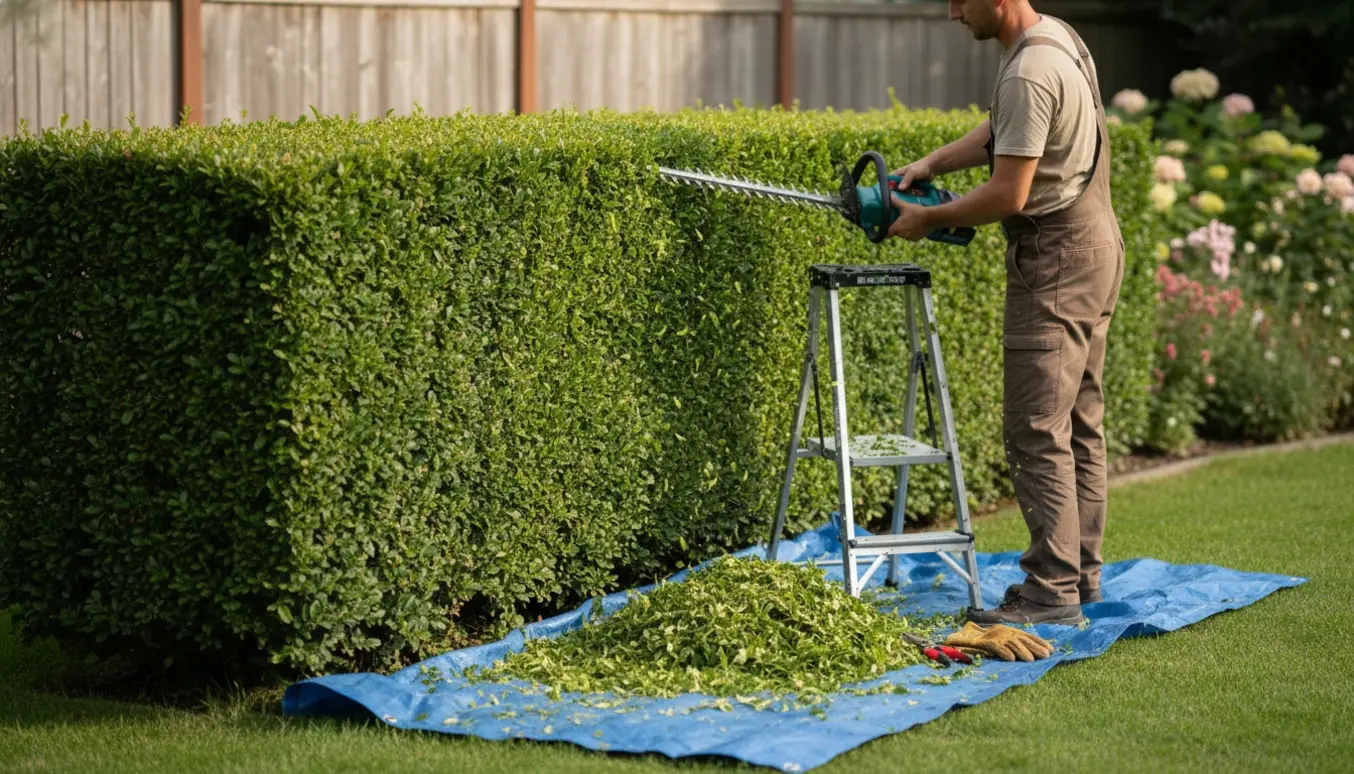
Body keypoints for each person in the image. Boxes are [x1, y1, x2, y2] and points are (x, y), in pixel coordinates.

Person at [886, 0, 1125, 626]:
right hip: (1097, 244)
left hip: (1056, 261)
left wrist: (928, 219)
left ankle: (1051, 592)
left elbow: (1008, 192)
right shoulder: (1056, 38)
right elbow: (1004, 130)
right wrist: (933, 164)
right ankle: (1082, 575)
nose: (951, 12)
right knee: (1078, 422)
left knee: (1036, 429)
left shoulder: (1027, 71)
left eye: (960, 0)